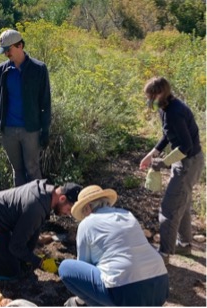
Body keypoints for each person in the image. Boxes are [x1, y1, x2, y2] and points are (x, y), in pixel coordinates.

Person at [59, 185, 169, 307]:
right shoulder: (127, 214)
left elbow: (84, 269)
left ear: (88, 207)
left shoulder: (86, 223)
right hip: (160, 287)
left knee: (65, 268)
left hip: (124, 292)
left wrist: (77, 302)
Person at [140, 76, 204, 265]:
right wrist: (151, 154)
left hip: (189, 162)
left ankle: (164, 254)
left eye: (151, 96)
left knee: (168, 208)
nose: (149, 100)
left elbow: (186, 146)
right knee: (181, 204)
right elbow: (167, 135)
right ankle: (184, 244)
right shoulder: (165, 108)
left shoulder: (176, 111)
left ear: (161, 93)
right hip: (183, 160)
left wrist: (164, 163)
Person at [0, 179, 82, 280]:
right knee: (12, 271)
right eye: (68, 210)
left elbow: (32, 231)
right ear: (62, 198)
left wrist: (29, 257)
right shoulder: (36, 208)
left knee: (18, 260)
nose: (67, 214)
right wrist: (40, 262)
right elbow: (15, 246)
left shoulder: (44, 193)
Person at [0, 29, 51, 187]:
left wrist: (45, 130)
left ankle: (39, 208)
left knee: (32, 169)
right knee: (17, 171)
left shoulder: (39, 69)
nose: (6, 55)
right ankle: (21, 209)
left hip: (30, 130)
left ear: (20, 45)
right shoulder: (2, 70)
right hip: (8, 130)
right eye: (4, 51)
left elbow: (45, 102)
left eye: (8, 50)